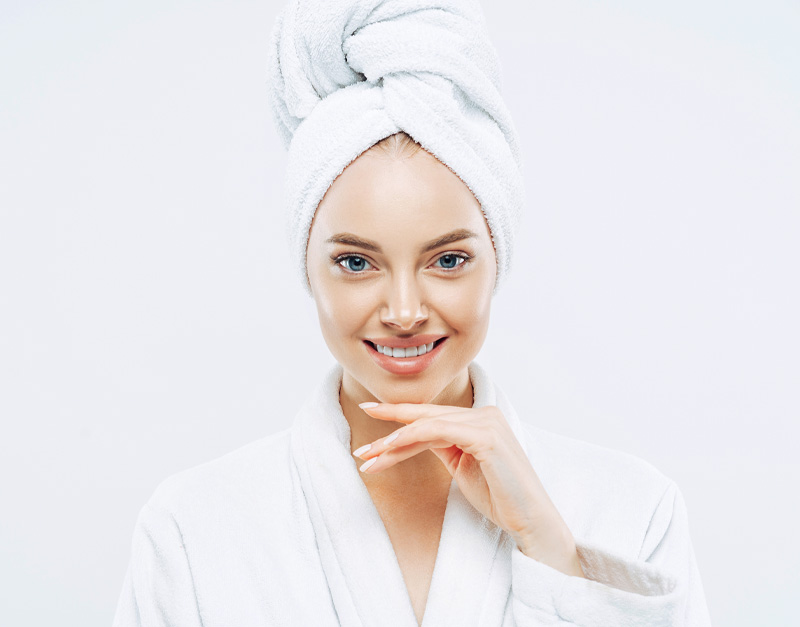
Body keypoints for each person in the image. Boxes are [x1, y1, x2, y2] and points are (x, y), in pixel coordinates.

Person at [112, 1, 712, 625]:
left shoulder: (633, 510)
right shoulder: (193, 527)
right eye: (355, 263)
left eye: (448, 261)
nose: (403, 312)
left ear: (497, 262)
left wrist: (550, 549)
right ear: (307, 269)